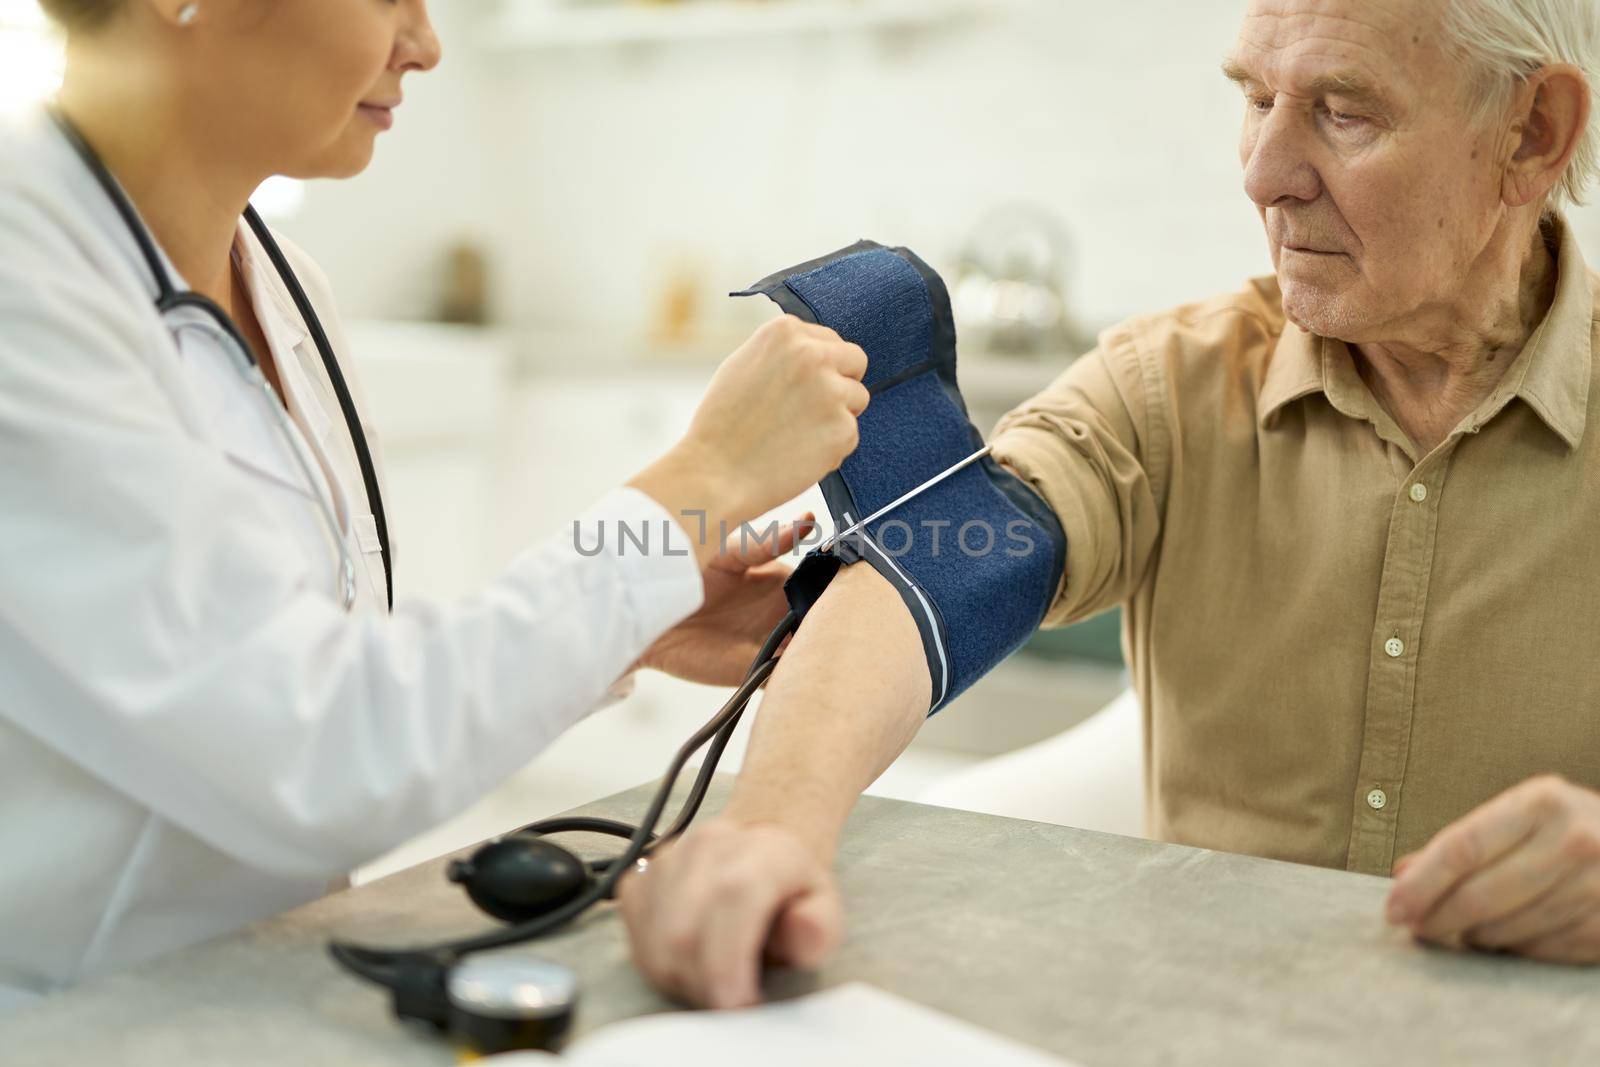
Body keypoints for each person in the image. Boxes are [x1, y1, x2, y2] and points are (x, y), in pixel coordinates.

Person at [618, 0, 1600, 1008]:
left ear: (1530, 135)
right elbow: (939, 568)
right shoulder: (1168, 384)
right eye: (1256, 99)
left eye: (1344, 113)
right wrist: (770, 832)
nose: (1264, 173)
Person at [0, 0, 870, 1007]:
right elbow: (318, 753)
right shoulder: (24, 292)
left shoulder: (283, 285)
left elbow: (312, 665)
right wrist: (701, 480)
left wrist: (634, 622)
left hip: (251, 987)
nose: (426, 43)